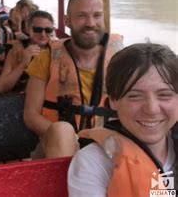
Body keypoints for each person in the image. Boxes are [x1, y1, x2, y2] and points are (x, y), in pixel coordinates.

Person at [24, 0, 124, 159]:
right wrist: (70, 139)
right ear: (67, 20)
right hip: (57, 146)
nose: (90, 23)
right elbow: (31, 115)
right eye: (82, 16)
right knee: (62, 131)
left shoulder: (122, 60)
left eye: (97, 15)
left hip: (107, 144)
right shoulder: (46, 58)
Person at [68, 43, 177, 197]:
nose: (152, 109)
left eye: (164, 95)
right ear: (113, 101)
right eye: (135, 96)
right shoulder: (93, 163)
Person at [0, 10, 55, 94]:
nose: (43, 34)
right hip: (21, 100)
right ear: (28, 29)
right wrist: (23, 63)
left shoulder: (57, 50)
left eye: (48, 30)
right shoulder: (17, 51)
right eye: (37, 29)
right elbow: (2, 87)